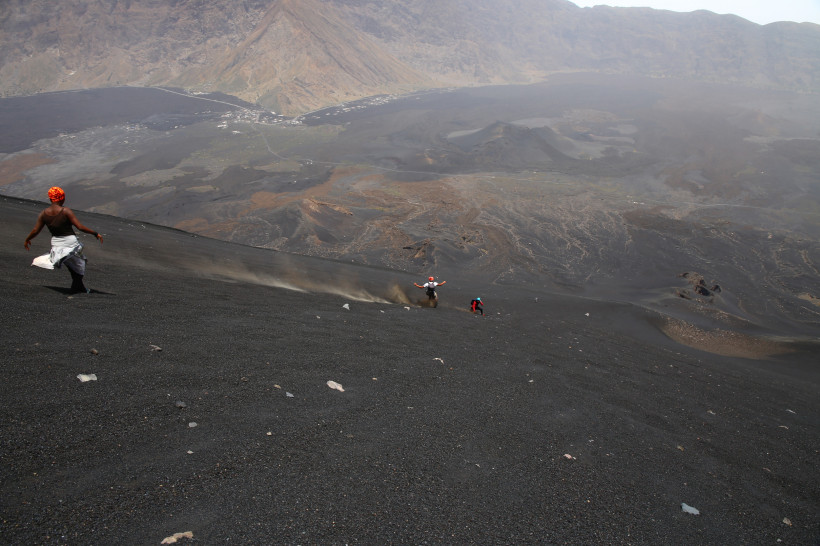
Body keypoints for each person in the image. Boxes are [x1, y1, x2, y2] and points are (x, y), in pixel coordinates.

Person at [24, 186, 103, 294]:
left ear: (51, 199)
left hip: (56, 243)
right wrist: (95, 233)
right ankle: (77, 288)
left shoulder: (44, 214)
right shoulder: (65, 211)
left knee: (73, 264)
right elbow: (79, 227)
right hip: (70, 242)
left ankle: (79, 286)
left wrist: (27, 239)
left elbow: (35, 230)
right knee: (80, 263)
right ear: (62, 198)